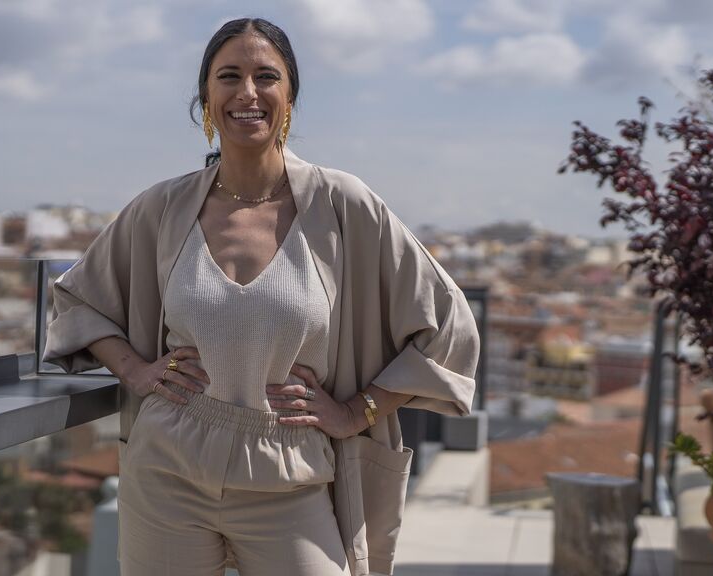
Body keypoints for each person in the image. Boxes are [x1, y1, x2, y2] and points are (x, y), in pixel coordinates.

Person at [43, 17, 480, 576]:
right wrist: (133, 372)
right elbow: (77, 298)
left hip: (291, 476)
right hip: (167, 472)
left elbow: (448, 325)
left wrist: (357, 411)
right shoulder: (162, 207)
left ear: (290, 96)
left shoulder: (343, 205)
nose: (247, 92)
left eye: (266, 76)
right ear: (206, 97)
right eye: (229, 75)